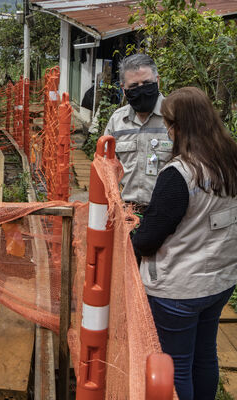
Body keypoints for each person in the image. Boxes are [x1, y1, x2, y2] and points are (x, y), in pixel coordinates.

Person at [132, 87, 237, 399]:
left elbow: (149, 240)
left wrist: (134, 234)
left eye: (169, 123)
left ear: (178, 126)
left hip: (178, 290)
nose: (167, 130)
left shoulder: (180, 173)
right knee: (205, 355)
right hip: (220, 282)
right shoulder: (229, 163)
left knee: (176, 366)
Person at [104, 54, 171, 213]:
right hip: (127, 213)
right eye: (134, 86)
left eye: (147, 83)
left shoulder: (176, 117)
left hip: (168, 214)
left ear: (157, 81)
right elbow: (105, 168)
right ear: (123, 89)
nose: (141, 89)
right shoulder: (117, 121)